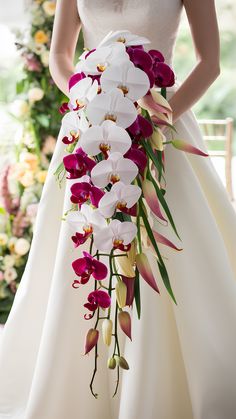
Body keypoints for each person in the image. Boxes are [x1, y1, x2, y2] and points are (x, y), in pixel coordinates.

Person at [0, 1, 236, 418]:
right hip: (91, 127)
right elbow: (59, 55)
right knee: (87, 249)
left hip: (161, 127)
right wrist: (84, 95)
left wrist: (160, 116)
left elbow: (210, 63)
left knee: (163, 249)